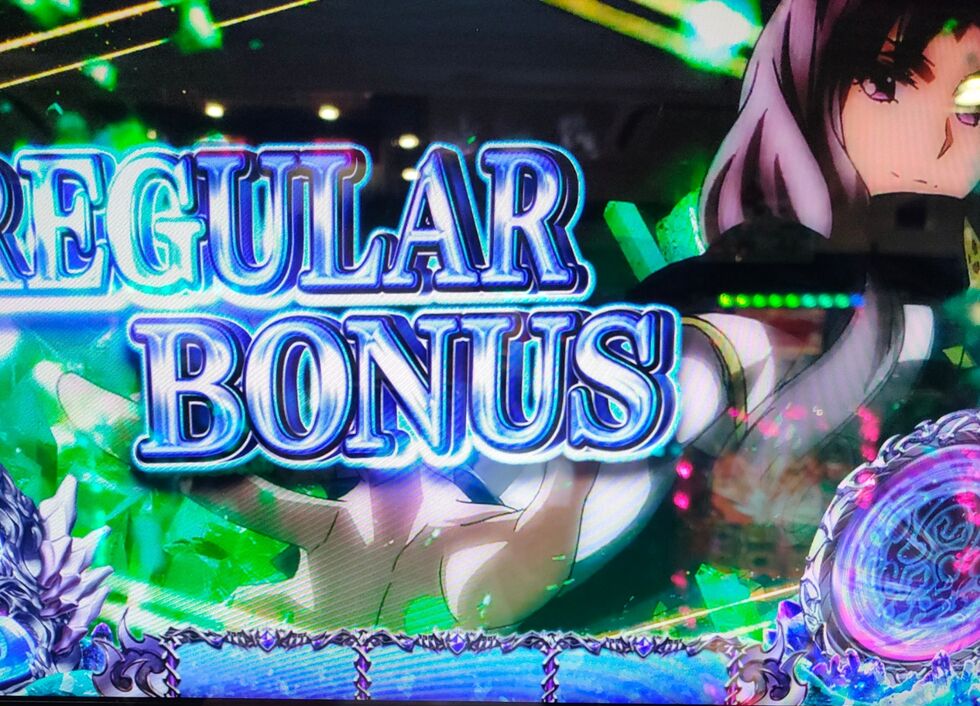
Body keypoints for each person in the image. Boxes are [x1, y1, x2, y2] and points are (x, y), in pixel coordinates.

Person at [56, 0, 980, 636]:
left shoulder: (877, 318)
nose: (939, 134)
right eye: (888, 81)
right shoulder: (769, 310)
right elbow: (503, 574)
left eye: (971, 100)